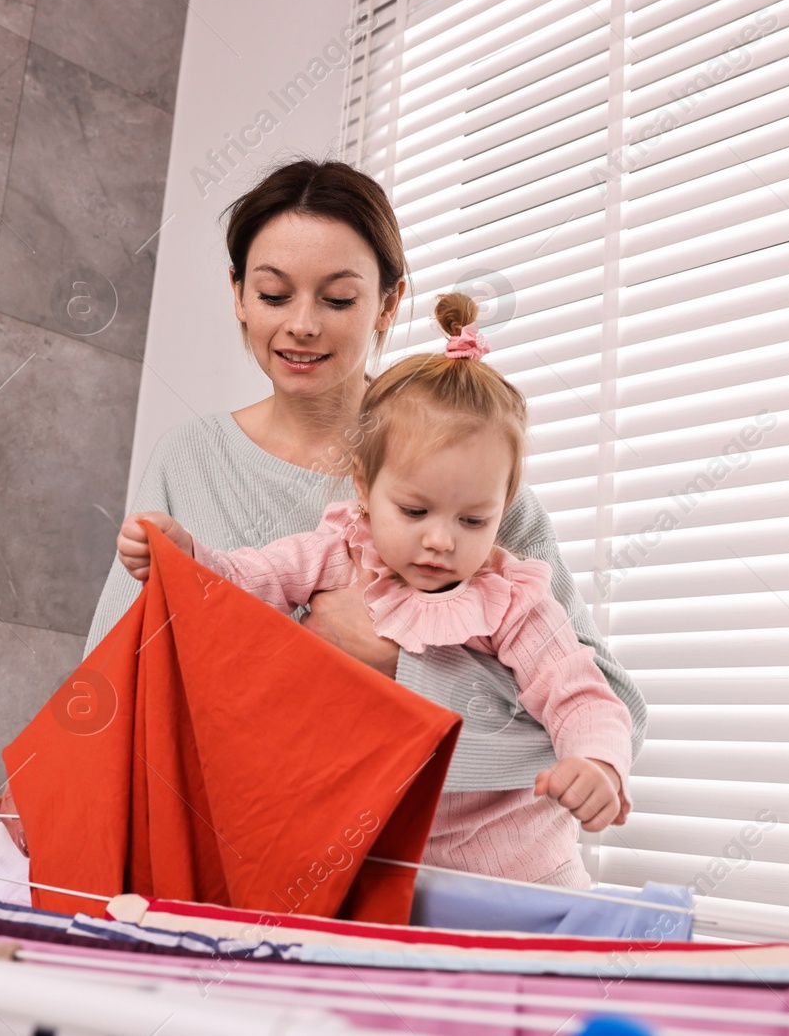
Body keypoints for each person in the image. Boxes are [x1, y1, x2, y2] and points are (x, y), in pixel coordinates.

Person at [0, 158, 645, 887]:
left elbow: (611, 708)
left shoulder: (462, 474)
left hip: (492, 877)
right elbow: (120, 685)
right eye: (273, 293)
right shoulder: (190, 459)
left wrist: (405, 668)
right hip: (295, 871)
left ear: (388, 305)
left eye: (337, 298)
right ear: (239, 297)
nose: (301, 324)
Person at [117, 291, 632, 882]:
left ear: (503, 509)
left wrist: (597, 763)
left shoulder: (512, 598)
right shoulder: (335, 552)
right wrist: (184, 557)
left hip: (519, 864)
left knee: (556, 959)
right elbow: (245, 583)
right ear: (363, 488)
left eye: (472, 521)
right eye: (414, 512)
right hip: (389, 861)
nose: (441, 541)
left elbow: (579, 693)